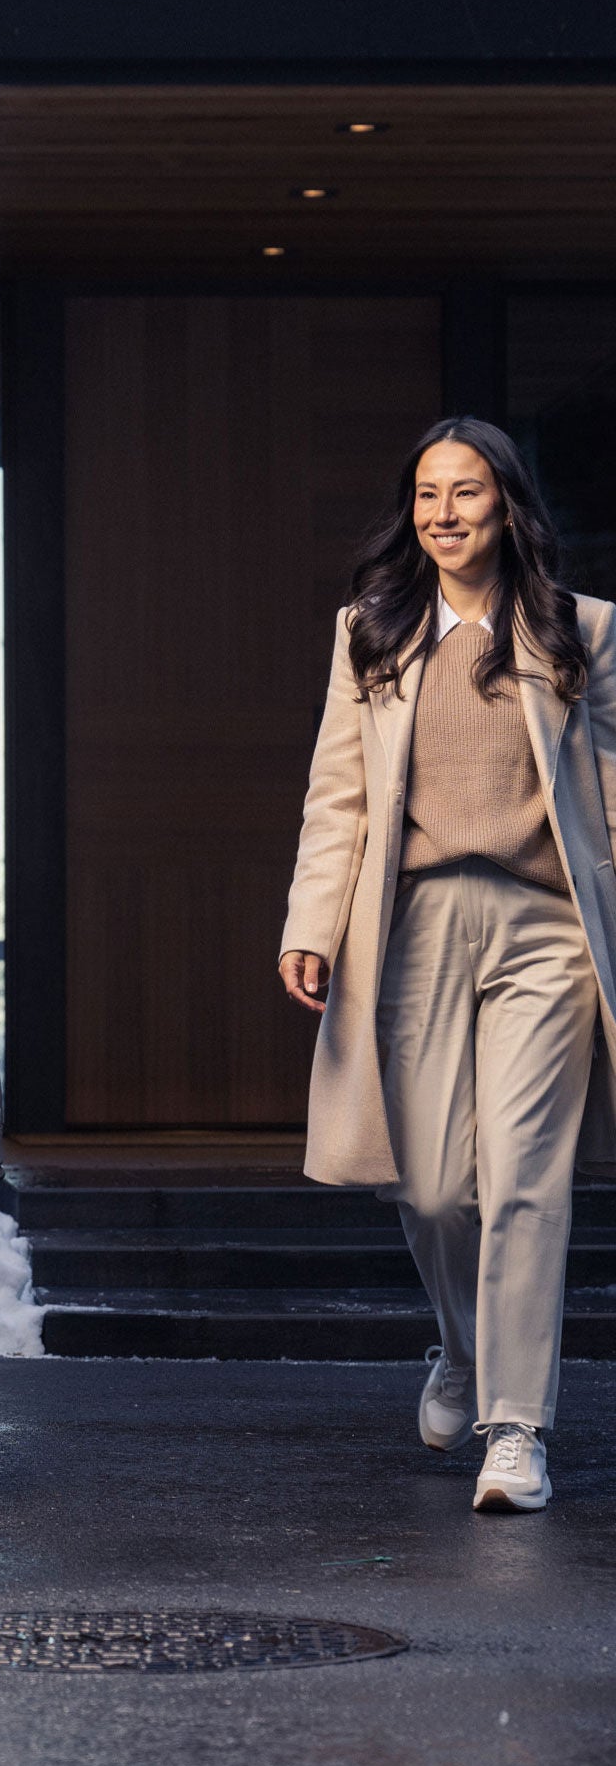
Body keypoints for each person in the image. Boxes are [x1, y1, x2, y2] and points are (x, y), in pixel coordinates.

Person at [278, 415, 616, 1513]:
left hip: (543, 932)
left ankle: (514, 1431)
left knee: (524, 1180)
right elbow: (338, 797)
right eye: (427, 495)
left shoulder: (581, 632)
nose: (444, 514)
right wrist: (310, 925)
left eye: (466, 493)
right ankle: (464, 1352)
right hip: (412, 927)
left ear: (506, 504)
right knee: (428, 1186)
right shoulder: (371, 634)